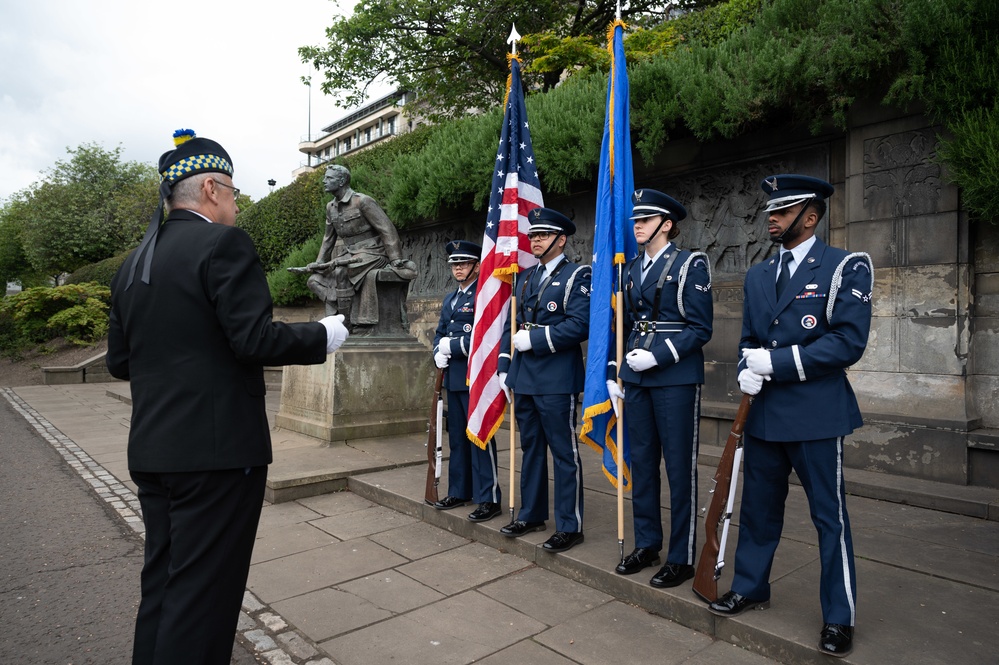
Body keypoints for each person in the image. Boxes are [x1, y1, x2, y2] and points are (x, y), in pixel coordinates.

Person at [106, 130, 349, 665]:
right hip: (216, 457)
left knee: (167, 585)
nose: (237, 204)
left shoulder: (134, 262)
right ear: (212, 189)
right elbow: (254, 339)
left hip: (154, 451)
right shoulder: (223, 244)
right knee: (206, 598)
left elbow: (119, 361)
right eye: (235, 193)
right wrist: (323, 334)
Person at [707, 174, 873, 658]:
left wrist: (775, 364)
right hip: (765, 414)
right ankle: (752, 585)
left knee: (830, 518)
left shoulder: (844, 266)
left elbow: (847, 341)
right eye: (771, 211)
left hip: (817, 414)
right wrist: (745, 370)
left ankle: (839, 617)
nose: (772, 218)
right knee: (759, 511)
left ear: (811, 216)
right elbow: (749, 342)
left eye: (783, 211)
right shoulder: (760, 274)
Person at [606, 189, 712, 588]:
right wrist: (615, 373)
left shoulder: (689, 265)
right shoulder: (629, 269)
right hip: (635, 377)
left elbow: (701, 328)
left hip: (674, 377)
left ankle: (681, 556)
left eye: (645, 221)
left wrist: (660, 356)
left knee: (679, 467)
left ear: (666, 224)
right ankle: (647, 543)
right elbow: (624, 327)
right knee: (644, 464)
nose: (637, 227)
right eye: (636, 221)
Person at [498, 208, 591, 553]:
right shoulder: (524, 278)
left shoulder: (577, 275)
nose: (534, 241)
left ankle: (570, 524)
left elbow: (580, 325)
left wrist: (536, 340)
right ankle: (532, 513)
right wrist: (505, 366)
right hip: (525, 376)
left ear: (560, 239)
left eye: (541, 236)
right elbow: (512, 325)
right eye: (532, 236)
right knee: (531, 448)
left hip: (556, 377)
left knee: (564, 452)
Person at [432, 240, 502, 522]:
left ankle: (489, 497)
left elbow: (486, 335)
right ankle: (460, 490)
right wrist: (438, 350)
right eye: (455, 264)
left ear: (476, 265)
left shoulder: (482, 296)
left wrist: (454, 346)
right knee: (458, 440)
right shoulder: (451, 298)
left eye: (464, 263)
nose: (458, 268)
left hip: (477, 377)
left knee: (480, 436)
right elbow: (439, 332)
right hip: (454, 378)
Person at [306, 164, 411, 333]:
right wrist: (319, 263)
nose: (324, 181)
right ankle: (337, 301)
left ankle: (347, 324)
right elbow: (328, 239)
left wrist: (395, 259)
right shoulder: (330, 207)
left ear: (341, 181)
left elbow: (387, 229)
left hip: (374, 253)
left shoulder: (362, 201)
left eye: (329, 178)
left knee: (342, 271)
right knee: (314, 280)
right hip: (349, 254)